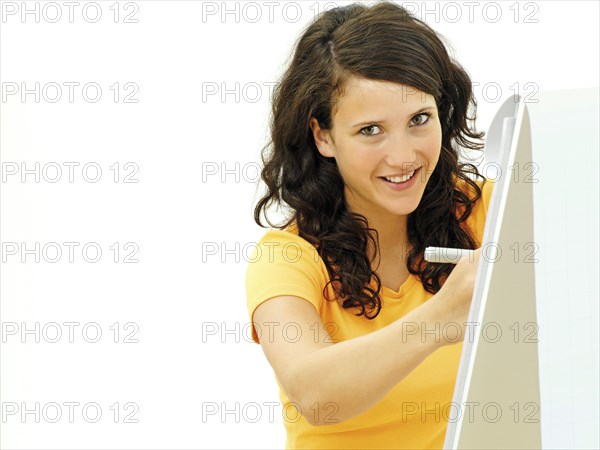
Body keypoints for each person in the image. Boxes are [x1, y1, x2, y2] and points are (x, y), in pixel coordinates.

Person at [245, 1, 494, 449]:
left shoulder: (485, 212)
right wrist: (439, 319)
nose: (403, 157)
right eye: (370, 131)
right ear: (323, 136)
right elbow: (315, 395)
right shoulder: (285, 258)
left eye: (419, 120)